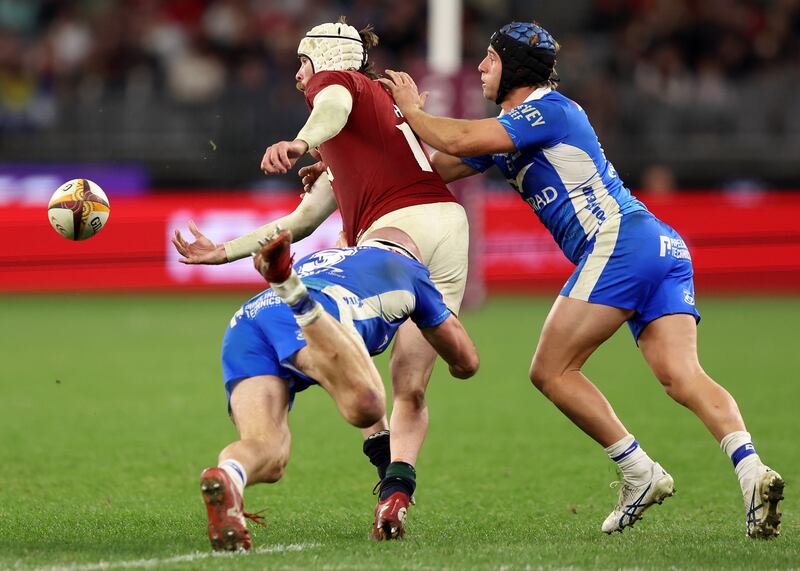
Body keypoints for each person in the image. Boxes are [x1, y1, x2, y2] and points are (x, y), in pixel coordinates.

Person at [377, 21, 784, 538]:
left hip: (621, 243)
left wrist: (412, 108)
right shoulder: (509, 129)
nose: (480, 66)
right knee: (681, 376)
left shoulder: (547, 109)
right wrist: (344, 164)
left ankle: (639, 471)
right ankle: (752, 473)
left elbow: (456, 135)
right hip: (660, 245)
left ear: (516, 69)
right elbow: (433, 168)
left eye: (490, 57)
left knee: (550, 370)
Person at [173, 16, 471, 540]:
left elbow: (329, 103)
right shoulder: (363, 127)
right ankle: (395, 490)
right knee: (412, 387)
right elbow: (298, 222)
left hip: (401, 233)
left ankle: (300, 303)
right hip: (439, 226)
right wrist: (220, 252)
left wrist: (298, 141)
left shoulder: (339, 86)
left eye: (301, 65)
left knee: (371, 400)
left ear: (321, 59)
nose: (298, 77)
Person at [197, 227, 479, 551]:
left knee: (270, 454)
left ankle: (228, 476)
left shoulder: (327, 257)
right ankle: (292, 291)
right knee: (367, 406)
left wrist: (390, 478)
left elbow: (350, 373)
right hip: (315, 308)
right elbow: (466, 361)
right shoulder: (410, 270)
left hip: (250, 320)